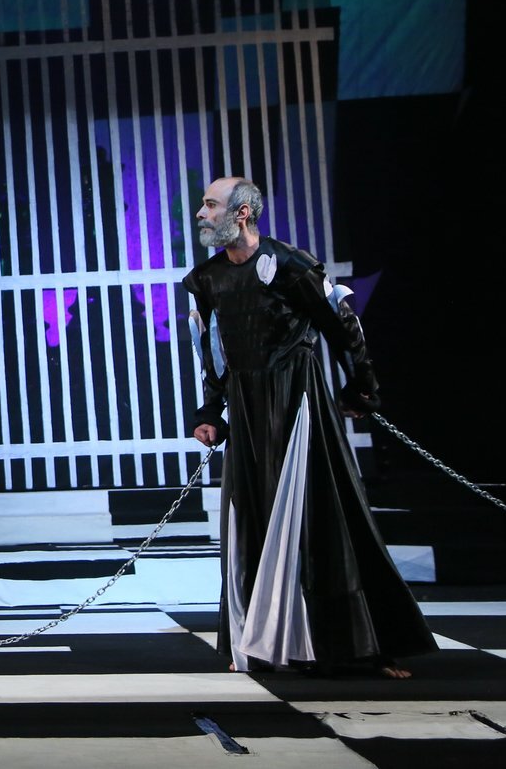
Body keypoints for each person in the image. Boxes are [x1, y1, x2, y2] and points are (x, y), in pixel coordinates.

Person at [184, 176, 434, 678]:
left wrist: (360, 388)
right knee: (253, 521)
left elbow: (341, 325)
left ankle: (361, 645)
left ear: (242, 213)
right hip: (248, 410)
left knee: (322, 515)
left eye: (210, 205)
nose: (201, 214)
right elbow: (213, 350)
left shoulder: (290, 265)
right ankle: (259, 643)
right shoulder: (208, 278)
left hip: (296, 399)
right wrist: (211, 412)